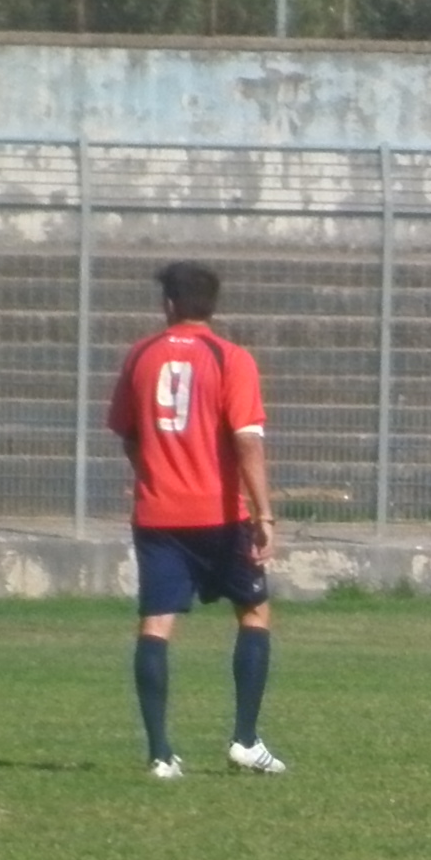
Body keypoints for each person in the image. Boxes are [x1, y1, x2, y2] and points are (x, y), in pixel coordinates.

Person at [103, 261, 283, 779]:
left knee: (156, 626)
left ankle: (161, 755)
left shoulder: (139, 356)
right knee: (253, 613)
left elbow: (129, 434)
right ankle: (245, 741)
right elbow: (247, 440)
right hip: (221, 514)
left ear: (168, 305)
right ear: (212, 304)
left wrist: (153, 476)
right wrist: (263, 511)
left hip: (158, 514)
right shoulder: (230, 358)